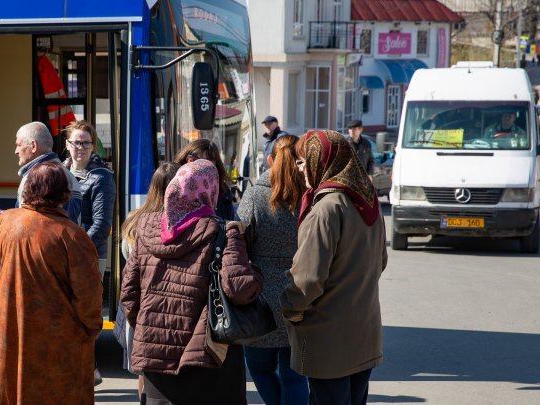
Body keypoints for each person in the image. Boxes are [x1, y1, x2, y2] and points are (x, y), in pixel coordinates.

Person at [120, 159, 263, 405]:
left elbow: (129, 294)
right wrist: (256, 273)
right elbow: (239, 289)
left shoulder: (146, 230)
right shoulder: (224, 231)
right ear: (211, 190)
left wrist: (149, 327)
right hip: (210, 360)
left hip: (156, 362)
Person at [0, 161, 103, 404]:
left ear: (28, 189)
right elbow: (88, 297)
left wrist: (0, 312)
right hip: (59, 343)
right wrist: (90, 330)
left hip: (9, 332)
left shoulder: (5, 222)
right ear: (64, 194)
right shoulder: (73, 236)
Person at [281, 130, 387, 405]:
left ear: (322, 162)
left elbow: (307, 281)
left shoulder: (326, 209)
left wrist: (290, 311)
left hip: (329, 342)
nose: (301, 169)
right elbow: (381, 261)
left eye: (304, 162)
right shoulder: (367, 200)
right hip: (364, 333)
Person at [236, 135, 309, 405]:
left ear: (270, 159)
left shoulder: (256, 194)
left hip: (261, 297)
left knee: (259, 368)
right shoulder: (309, 195)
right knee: (295, 376)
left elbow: (238, 237)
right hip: (299, 292)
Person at [116, 161, 180, 404]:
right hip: (165, 306)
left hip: (139, 308)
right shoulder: (178, 223)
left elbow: (127, 263)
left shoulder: (135, 221)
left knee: (142, 372)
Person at [62, 120, 116, 274]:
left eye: (86, 143)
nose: (81, 147)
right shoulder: (59, 173)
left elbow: (102, 225)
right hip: (61, 253)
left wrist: (75, 248)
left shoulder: (102, 177)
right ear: (67, 144)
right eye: (76, 143)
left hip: (89, 254)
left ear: (93, 146)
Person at [14, 121, 81, 223]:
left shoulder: (33, 179)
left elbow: (28, 226)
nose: (16, 151)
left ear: (33, 146)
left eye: (18, 145)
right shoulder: (67, 175)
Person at [173, 139, 234, 220]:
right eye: (193, 161)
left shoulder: (223, 191)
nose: (199, 169)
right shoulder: (174, 189)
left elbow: (229, 221)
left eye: (208, 165)